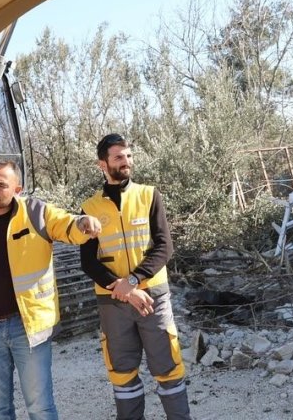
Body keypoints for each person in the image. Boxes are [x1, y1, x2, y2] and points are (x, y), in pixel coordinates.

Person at [0, 160, 102, 420]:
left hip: (28, 327)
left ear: (18, 189)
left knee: (40, 407)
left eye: (1, 185)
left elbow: (66, 225)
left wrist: (82, 223)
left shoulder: (36, 212)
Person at [80, 134, 192, 420]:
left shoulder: (148, 195)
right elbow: (88, 262)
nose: (126, 162)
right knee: (121, 371)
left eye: (128, 156)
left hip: (153, 296)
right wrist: (124, 289)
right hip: (112, 301)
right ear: (102, 164)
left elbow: (164, 246)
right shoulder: (89, 208)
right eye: (118, 157)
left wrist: (132, 281)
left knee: (168, 367)